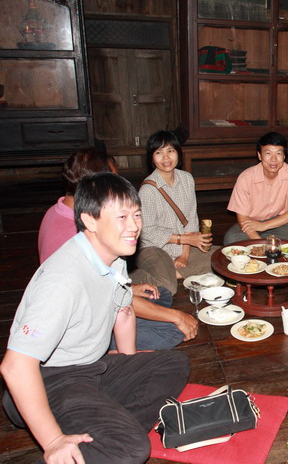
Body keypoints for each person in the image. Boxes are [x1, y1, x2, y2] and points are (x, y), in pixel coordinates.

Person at [1, 172, 190, 463]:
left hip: (92, 367)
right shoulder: (62, 281)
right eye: (122, 217)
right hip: (52, 380)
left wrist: (129, 365)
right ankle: (79, 444)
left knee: (174, 363)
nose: (134, 226)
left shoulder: (114, 256)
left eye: (136, 215)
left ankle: (105, 427)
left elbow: (124, 310)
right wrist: (52, 441)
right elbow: (15, 366)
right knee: (133, 449)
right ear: (89, 220)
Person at [38, 148, 196, 351]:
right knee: (173, 329)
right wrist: (176, 317)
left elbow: (105, 286)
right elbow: (109, 297)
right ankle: (108, 351)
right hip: (86, 323)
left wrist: (131, 289)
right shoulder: (81, 232)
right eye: (114, 179)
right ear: (96, 185)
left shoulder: (57, 210)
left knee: (161, 294)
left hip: (102, 297)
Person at [137, 130, 217, 296]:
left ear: (178, 153)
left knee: (223, 259)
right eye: (159, 153)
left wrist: (184, 255)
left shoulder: (187, 179)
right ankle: (136, 277)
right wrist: (184, 239)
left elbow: (191, 219)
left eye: (170, 151)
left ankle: (173, 274)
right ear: (152, 158)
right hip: (153, 248)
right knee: (168, 287)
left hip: (181, 245)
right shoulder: (147, 190)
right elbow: (147, 232)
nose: (166, 158)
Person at [224, 132, 288, 244]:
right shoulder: (246, 177)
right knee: (231, 239)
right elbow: (243, 218)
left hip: (279, 221)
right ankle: (272, 242)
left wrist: (264, 226)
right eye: (268, 153)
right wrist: (259, 242)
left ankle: (265, 243)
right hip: (252, 222)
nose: (273, 159)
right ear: (260, 155)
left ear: (284, 156)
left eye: (278, 153)